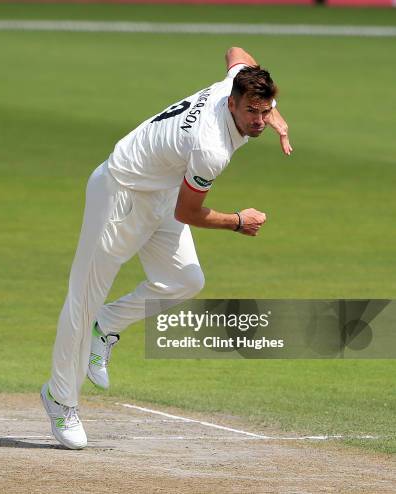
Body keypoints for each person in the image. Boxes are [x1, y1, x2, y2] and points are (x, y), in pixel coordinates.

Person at [41, 47, 292, 449]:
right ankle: (60, 398)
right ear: (231, 104)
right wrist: (238, 222)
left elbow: (237, 52)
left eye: (264, 112)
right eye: (251, 113)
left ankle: (104, 326)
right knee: (83, 298)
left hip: (162, 189)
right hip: (121, 193)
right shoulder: (211, 148)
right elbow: (190, 212)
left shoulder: (238, 82)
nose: (259, 121)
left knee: (184, 279)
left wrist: (272, 111)